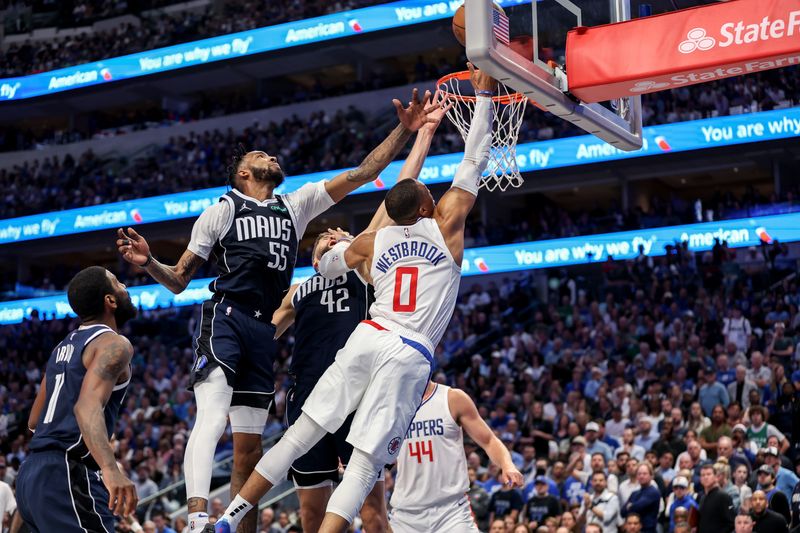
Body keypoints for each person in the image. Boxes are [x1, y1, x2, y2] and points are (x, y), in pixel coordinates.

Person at [118, 88, 436, 533]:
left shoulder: (308, 216)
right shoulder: (222, 213)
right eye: (263, 154)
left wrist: (406, 131)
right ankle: (196, 516)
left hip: (279, 343)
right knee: (216, 416)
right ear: (245, 171)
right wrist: (149, 262)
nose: (273, 156)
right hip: (234, 321)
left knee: (250, 453)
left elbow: (366, 174)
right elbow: (179, 279)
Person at [213, 64, 504, 533]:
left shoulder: (371, 246)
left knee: (300, 436)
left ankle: (226, 518)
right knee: (365, 465)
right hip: (405, 350)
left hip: (367, 339)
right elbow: (471, 162)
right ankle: (234, 520)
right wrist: (486, 99)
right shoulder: (443, 225)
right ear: (428, 206)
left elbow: (342, 250)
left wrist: (330, 253)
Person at [268, 92, 448, 533]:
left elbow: (401, 192)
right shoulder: (300, 290)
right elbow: (264, 336)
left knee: (371, 513)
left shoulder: (365, 267)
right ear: (314, 256)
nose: (333, 234)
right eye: (325, 235)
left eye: (339, 233)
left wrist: (423, 133)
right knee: (311, 514)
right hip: (310, 396)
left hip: (361, 391)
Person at [16, 267, 139, 531]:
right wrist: (110, 468)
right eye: (118, 282)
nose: (125, 286)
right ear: (110, 300)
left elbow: (35, 420)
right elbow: (86, 406)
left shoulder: (61, 347)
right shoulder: (115, 344)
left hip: (31, 474)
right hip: (66, 474)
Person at [389, 380, 523, 531]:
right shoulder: (391, 405)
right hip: (405, 514)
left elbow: (489, 440)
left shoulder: (452, 399)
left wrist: (507, 465)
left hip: (450, 512)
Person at [621, 463, 660, 533]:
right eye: (639, 474)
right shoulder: (634, 493)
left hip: (648, 530)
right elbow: (623, 512)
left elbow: (637, 507)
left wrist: (630, 506)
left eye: (644, 474)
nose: (641, 476)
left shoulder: (653, 492)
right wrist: (632, 506)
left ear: (651, 476)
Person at [696, 463, 735, 533]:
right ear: (700, 479)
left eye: (708, 474)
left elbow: (731, 523)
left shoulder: (723, 496)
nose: (705, 477)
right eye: (703, 475)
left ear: (715, 477)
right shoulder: (702, 498)